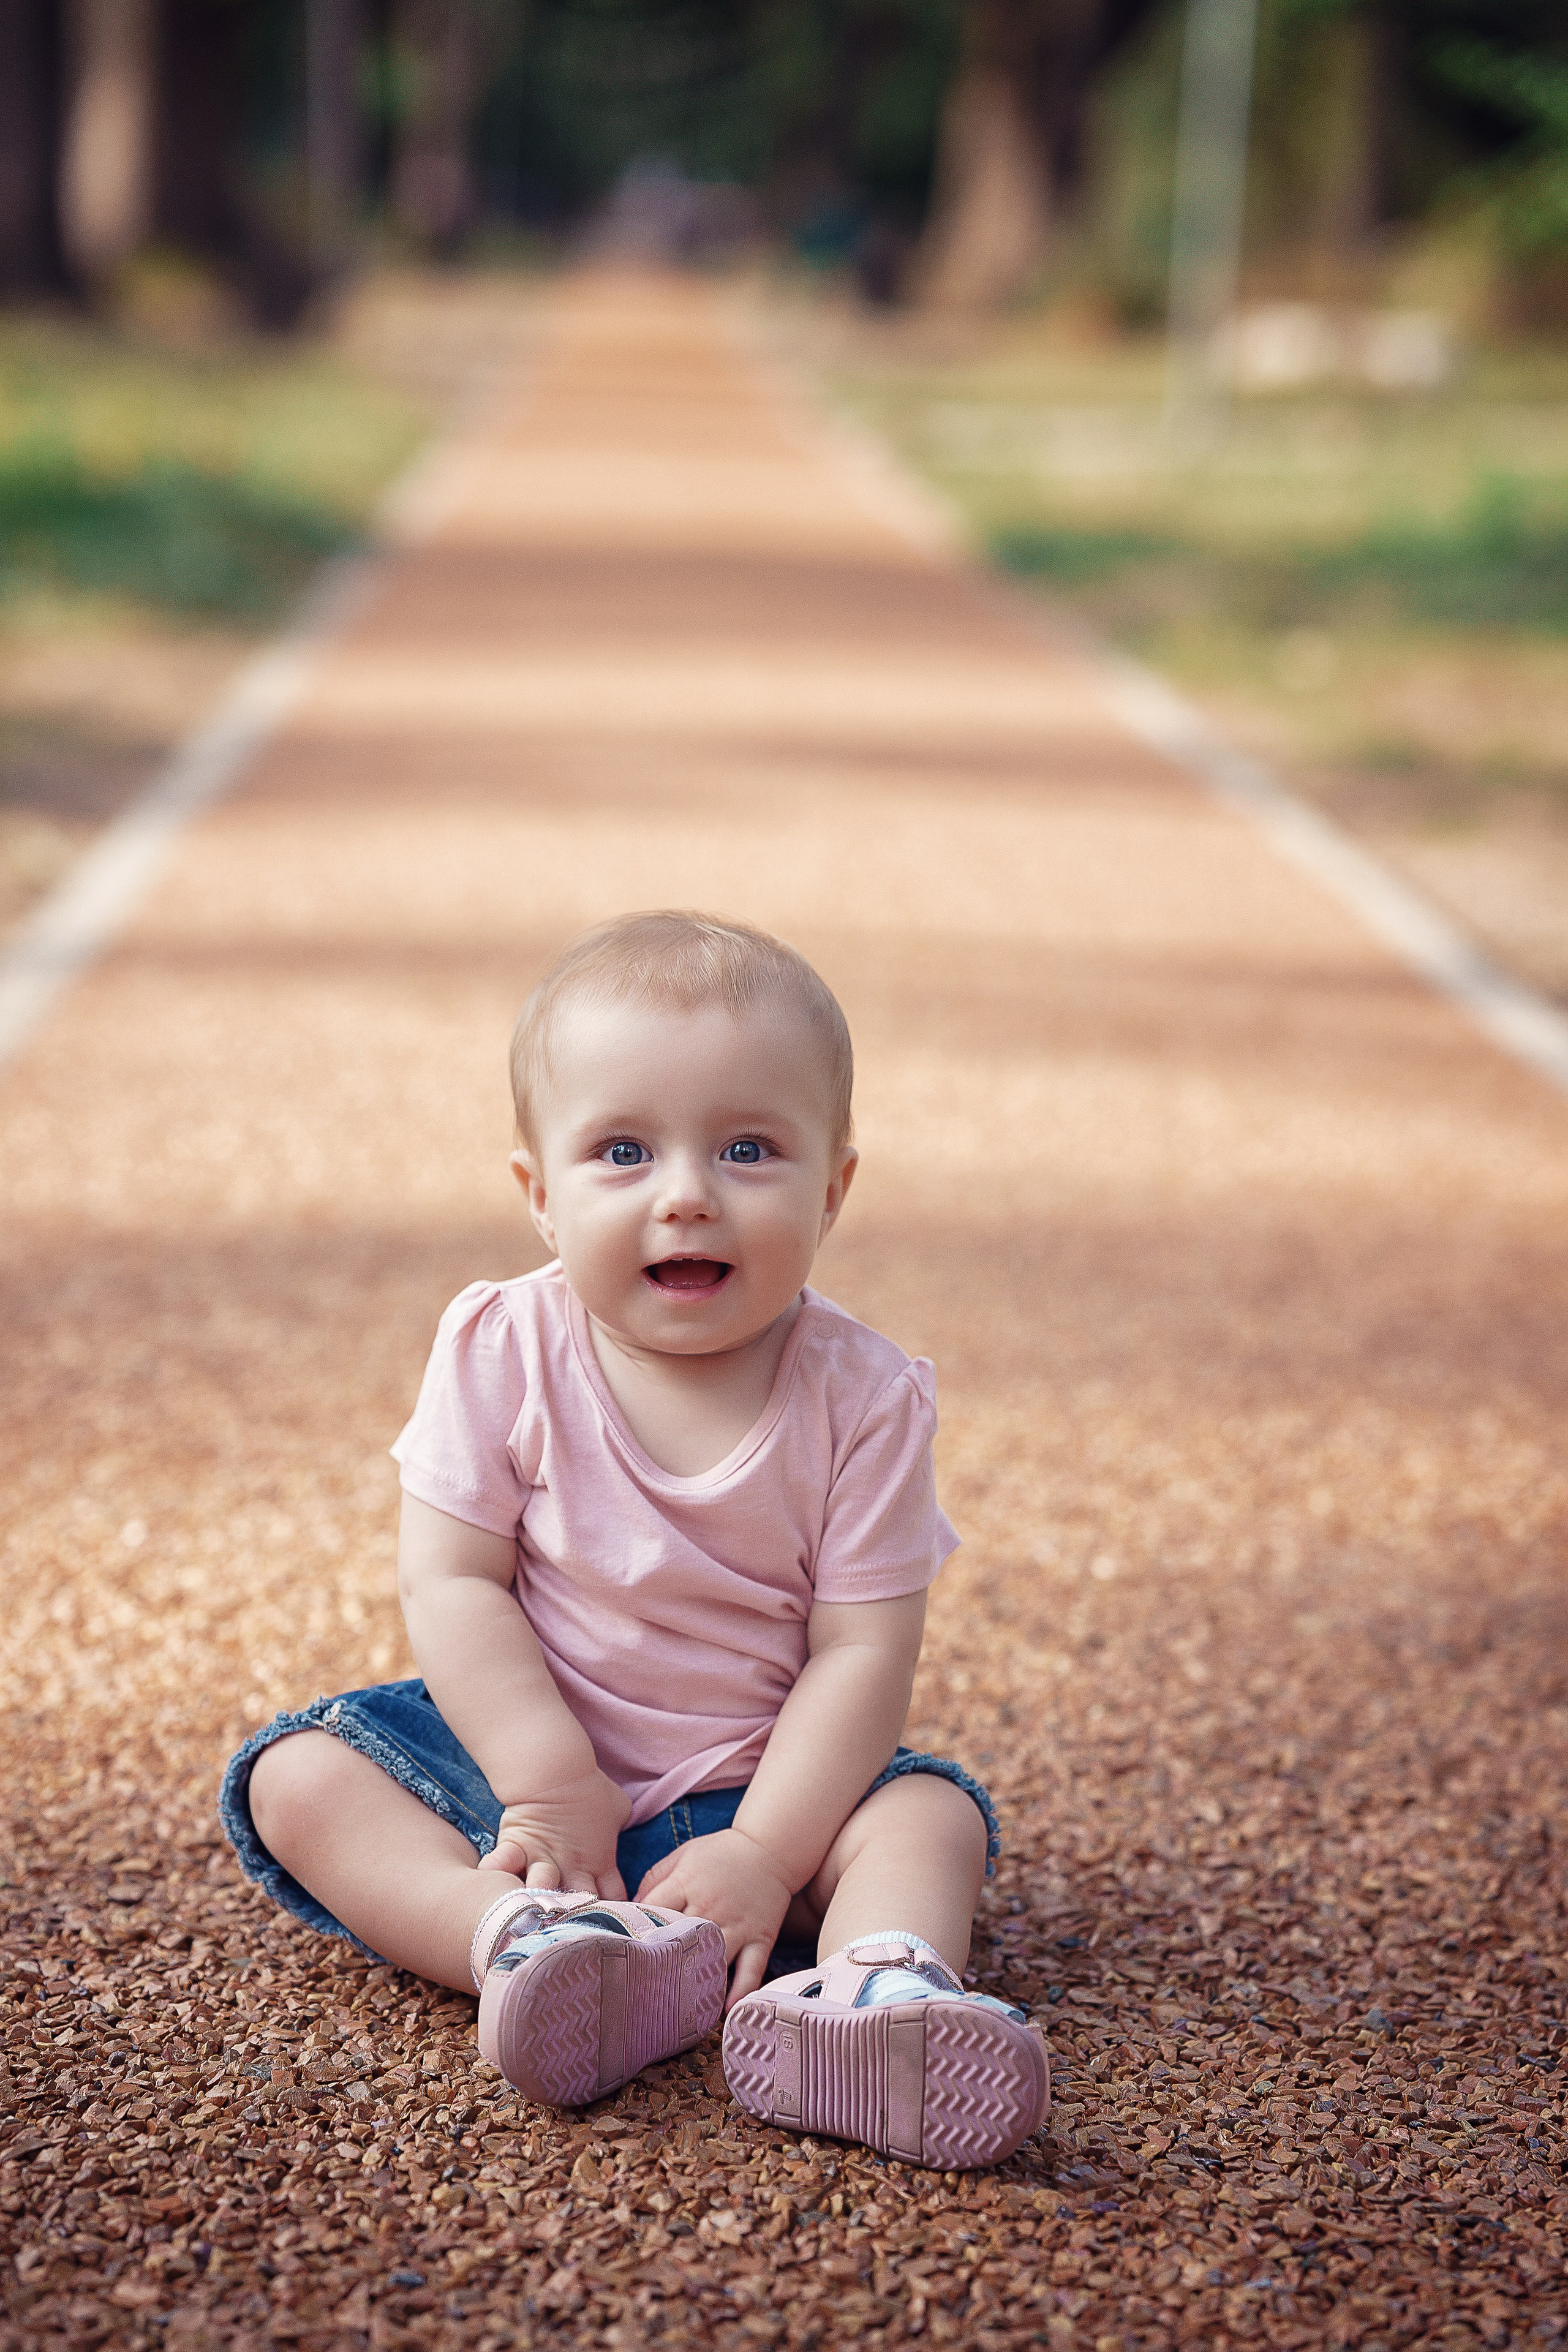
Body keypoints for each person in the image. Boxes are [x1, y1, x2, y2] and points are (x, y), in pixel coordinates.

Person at [221, 911, 1048, 2168]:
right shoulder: (503, 1346)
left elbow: (862, 1653)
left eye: (746, 1149)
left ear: (831, 1190)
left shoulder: (867, 1396)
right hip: (523, 1777)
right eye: (622, 1150)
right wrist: (547, 1785)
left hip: (766, 1780)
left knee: (928, 1816)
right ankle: (515, 1938)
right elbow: (453, 1576)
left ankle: (878, 1995)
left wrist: (768, 1851)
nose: (685, 1195)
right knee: (300, 1779)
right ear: (538, 1196)